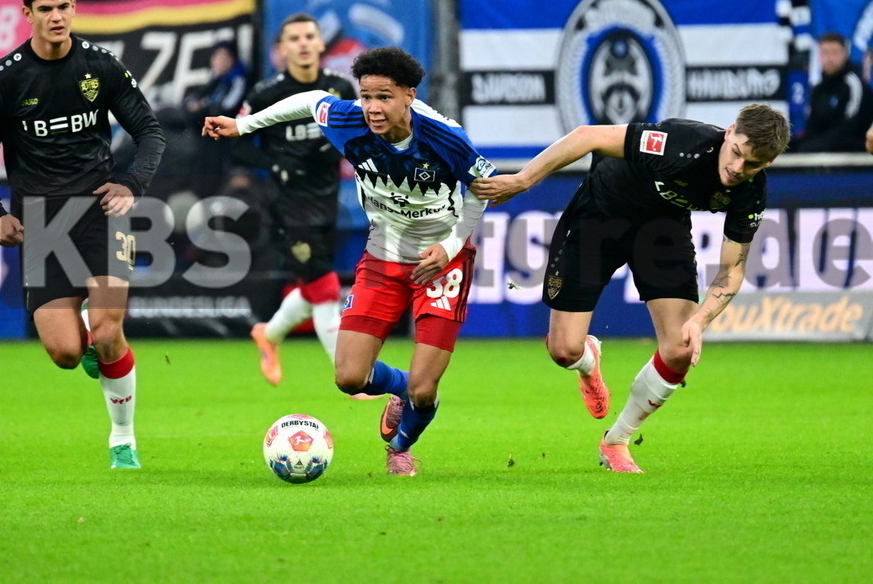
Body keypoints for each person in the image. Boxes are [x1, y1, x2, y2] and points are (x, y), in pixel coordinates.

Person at [204, 47, 496, 475]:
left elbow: (482, 185)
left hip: (442, 263)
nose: (373, 108)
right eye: (365, 96)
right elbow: (308, 101)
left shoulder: (443, 136)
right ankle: (398, 389)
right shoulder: (348, 119)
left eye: (385, 96)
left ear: (410, 96)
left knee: (425, 388)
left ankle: (400, 447)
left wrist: (450, 248)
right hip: (382, 255)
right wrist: (245, 125)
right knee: (349, 378)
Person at [470, 103, 790, 473]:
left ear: (766, 163)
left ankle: (617, 441)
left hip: (661, 232)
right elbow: (588, 136)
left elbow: (732, 269)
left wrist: (699, 321)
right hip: (600, 216)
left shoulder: (750, 192)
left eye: (751, 164)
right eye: (735, 153)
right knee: (563, 350)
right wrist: (522, 180)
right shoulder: (681, 143)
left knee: (681, 349)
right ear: (730, 131)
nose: (737, 169)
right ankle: (587, 361)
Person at [0, 0, 166, 469]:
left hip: (101, 210)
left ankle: (122, 438)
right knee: (63, 352)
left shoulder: (100, 66)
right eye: (46, 8)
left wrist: (130, 183)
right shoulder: (6, 77)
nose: (56, 16)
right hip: (40, 221)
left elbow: (149, 132)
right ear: (27, 12)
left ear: (74, 7)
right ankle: (84, 339)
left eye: (64, 6)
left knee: (106, 331)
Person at [228, 14, 356, 386]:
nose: (302, 43)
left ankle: (267, 334)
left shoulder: (338, 88)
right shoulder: (267, 94)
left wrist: (327, 152)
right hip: (286, 203)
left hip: (326, 199)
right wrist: (276, 162)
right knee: (327, 287)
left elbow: (354, 134)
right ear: (281, 49)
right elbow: (236, 142)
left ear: (320, 44)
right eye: (294, 38)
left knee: (313, 285)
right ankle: (350, 377)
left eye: (309, 36)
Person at [791, 32, 873, 153]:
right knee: (786, 149)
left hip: (855, 146)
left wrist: (815, 144)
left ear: (845, 54)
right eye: (825, 53)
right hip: (825, 143)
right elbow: (812, 127)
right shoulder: (818, 88)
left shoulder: (854, 84)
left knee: (810, 148)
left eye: (835, 53)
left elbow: (850, 127)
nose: (829, 58)